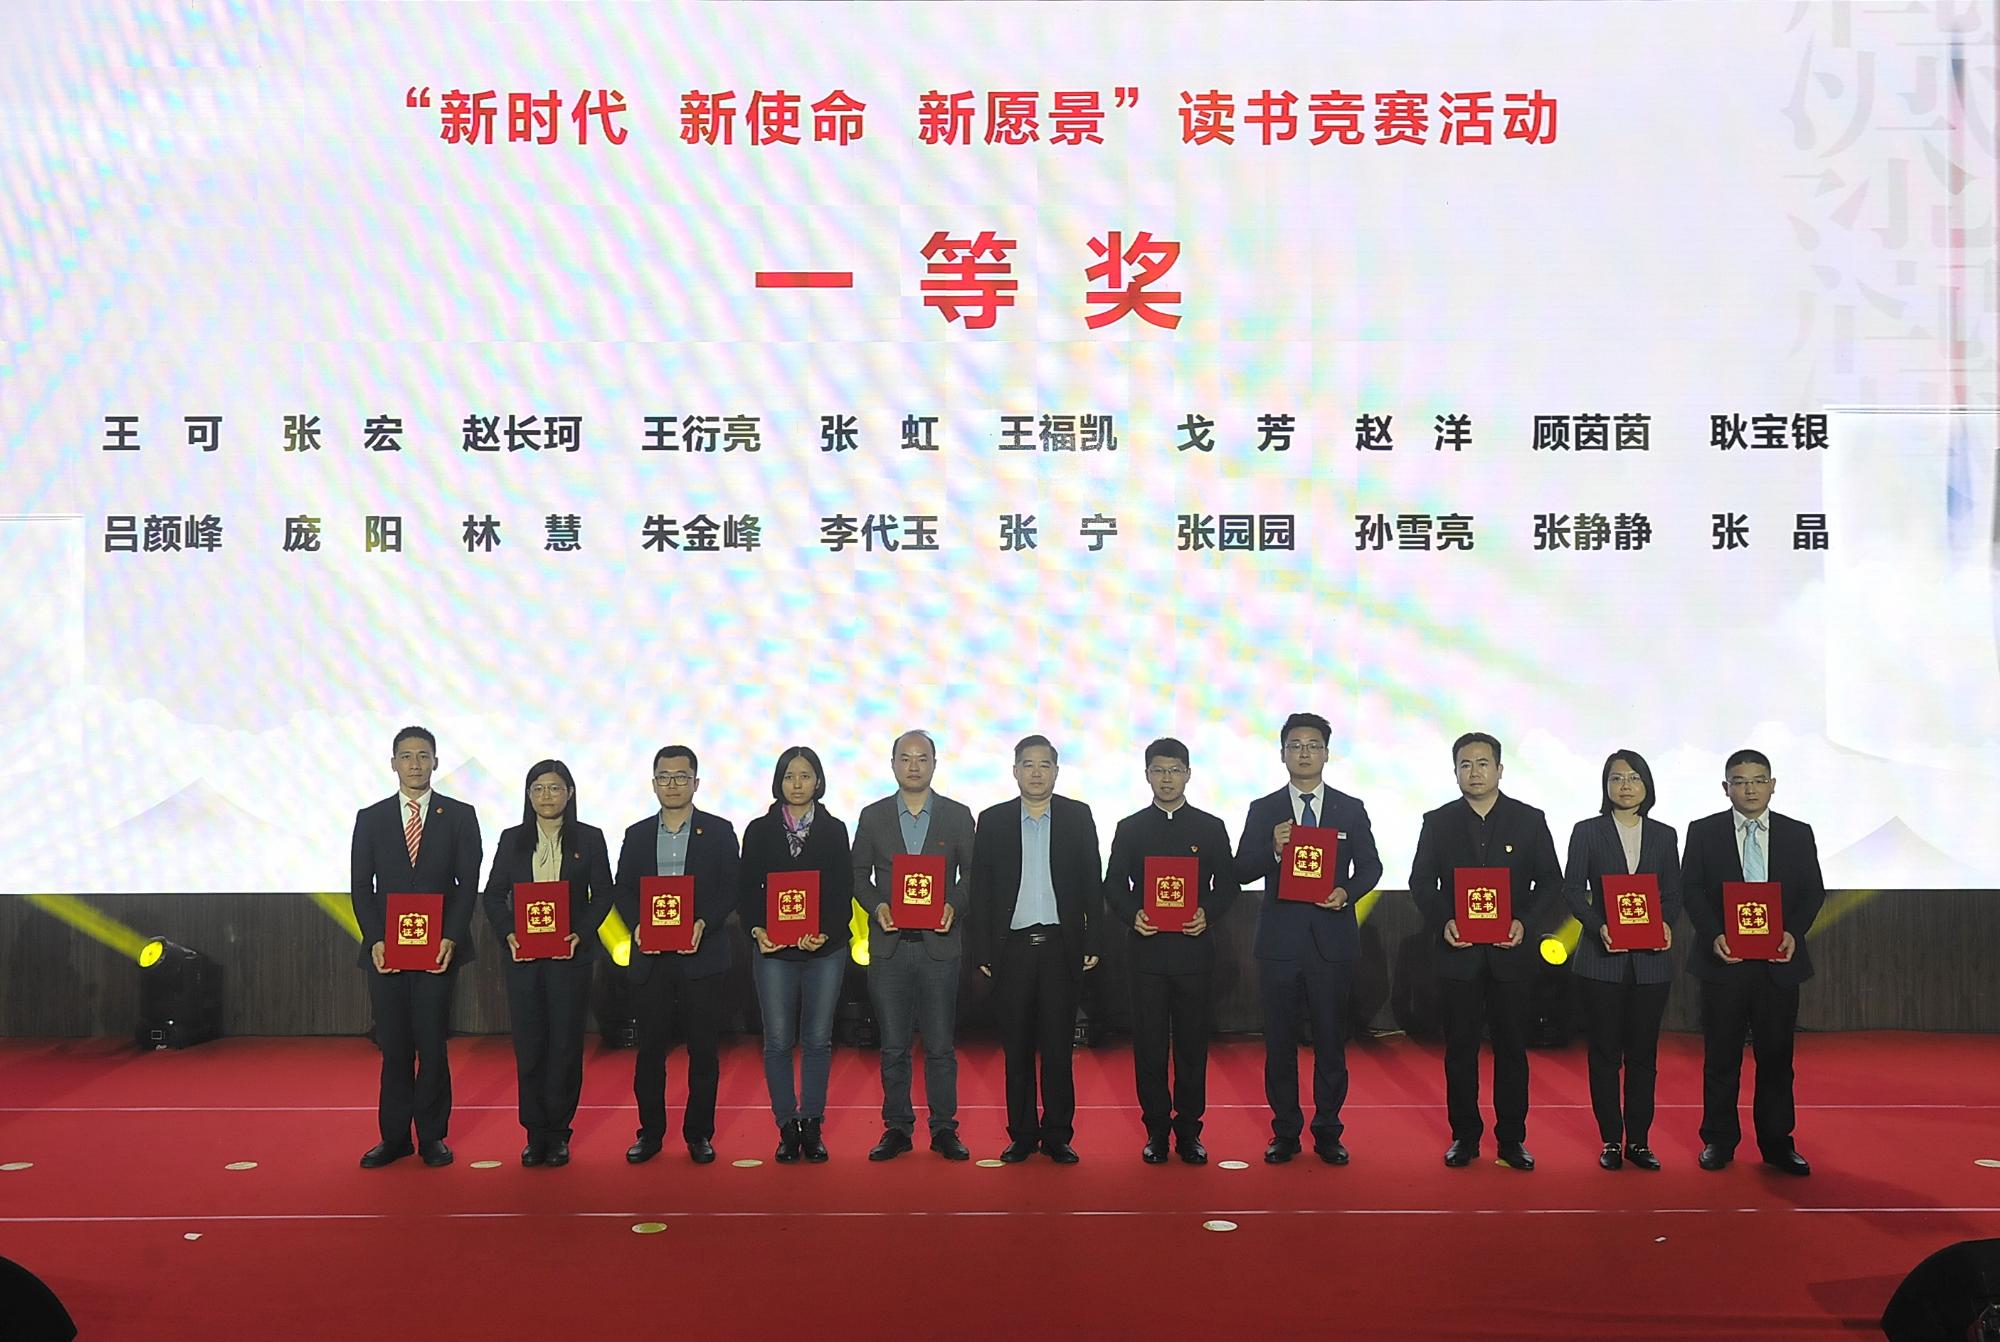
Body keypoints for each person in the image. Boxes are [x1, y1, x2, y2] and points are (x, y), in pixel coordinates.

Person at [1234, 712, 1383, 1166]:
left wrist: (1347, 893)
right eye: (1295, 745)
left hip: (1331, 942)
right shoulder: (1264, 809)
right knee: (1279, 1043)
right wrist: (1272, 849)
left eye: (1313, 745)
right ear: (1282, 754)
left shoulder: (1349, 808)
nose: (1304, 753)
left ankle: (1328, 1130)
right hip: (1279, 943)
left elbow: (1371, 867)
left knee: (1331, 1041)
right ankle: (1284, 1131)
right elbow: (1240, 870)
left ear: (1326, 754)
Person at [1409, 731, 1562, 1171]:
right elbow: (1421, 881)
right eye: (1465, 764)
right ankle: (1464, 1136)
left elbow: (1551, 880)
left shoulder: (1529, 820)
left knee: (1512, 1049)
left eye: (1482, 763)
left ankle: (1512, 1139)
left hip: (1510, 953)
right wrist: (1445, 920)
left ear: (1499, 769)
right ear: (1455, 771)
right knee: (1460, 1050)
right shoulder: (1438, 822)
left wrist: (1523, 922)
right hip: (1458, 952)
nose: (1474, 772)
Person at [1682, 749, 1826, 1176]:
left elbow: (1813, 891)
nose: (1750, 789)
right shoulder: (1704, 832)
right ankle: (1719, 1140)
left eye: (1759, 780)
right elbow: (1691, 889)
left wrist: (1793, 932)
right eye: (1740, 781)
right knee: (1721, 1056)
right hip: (1723, 960)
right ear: (1725, 787)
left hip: (1778, 961)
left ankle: (1777, 1143)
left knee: (1777, 1057)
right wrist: (1714, 934)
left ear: (1773, 785)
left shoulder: (1797, 833)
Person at [349, 726, 482, 1169]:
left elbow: (467, 885)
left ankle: (431, 1136)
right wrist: (376, 939)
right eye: (406, 756)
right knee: (394, 1046)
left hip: (437, 950)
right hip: (386, 952)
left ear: (436, 762)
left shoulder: (459, 816)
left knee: (432, 1044)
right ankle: (393, 1138)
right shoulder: (371, 818)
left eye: (423, 756)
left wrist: (451, 936)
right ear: (393, 763)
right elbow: (361, 887)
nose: (415, 764)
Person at [1103, 737, 1239, 1164]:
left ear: (1188, 774)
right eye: (1159, 770)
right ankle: (1156, 1131)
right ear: (1147, 775)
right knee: (1149, 1047)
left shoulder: (1210, 827)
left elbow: (1228, 885)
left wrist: (1206, 913)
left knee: (1192, 1047)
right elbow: (1113, 884)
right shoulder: (1130, 828)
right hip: (1146, 954)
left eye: (1175, 770)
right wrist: (1132, 915)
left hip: (1194, 953)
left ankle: (1190, 1131)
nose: (1167, 778)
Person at [970, 735, 1103, 1164]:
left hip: (1061, 948)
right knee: (1017, 1048)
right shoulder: (993, 821)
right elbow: (981, 891)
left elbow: (1092, 881)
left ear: (1056, 771)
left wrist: (1094, 940)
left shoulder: (1077, 817)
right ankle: (1023, 1134)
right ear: (1015, 771)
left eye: (1044, 765)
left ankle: (1058, 1134)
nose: (1036, 773)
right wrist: (982, 951)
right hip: (1012, 951)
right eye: (1028, 765)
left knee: (1059, 1048)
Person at [480, 759, 616, 1167]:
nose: (546, 796)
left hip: (569, 958)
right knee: (530, 1044)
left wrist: (582, 932)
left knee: (565, 1045)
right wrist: (509, 933)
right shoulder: (512, 839)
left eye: (555, 788)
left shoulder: (589, 838)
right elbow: (493, 894)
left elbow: (603, 894)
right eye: (538, 788)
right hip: (523, 958)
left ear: (569, 793)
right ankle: (534, 1132)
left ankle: (558, 1133)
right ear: (528, 795)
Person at [851, 730, 977, 1162]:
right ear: (893, 764)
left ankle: (944, 1128)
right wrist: (877, 907)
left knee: (940, 1045)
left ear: (935, 764)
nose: (914, 766)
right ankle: (897, 1128)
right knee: (893, 1045)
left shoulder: (957, 816)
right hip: (890, 947)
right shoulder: (873, 816)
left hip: (938, 946)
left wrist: (954, 905)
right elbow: (857, 875)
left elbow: (972, 875)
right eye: (905, 758)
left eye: (922, 758)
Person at [613, 746, 740, 1166]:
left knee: (703, 1050)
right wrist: (638, 924)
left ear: (696, 783)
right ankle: (649, 1133)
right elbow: (623, 888)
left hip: (700, 954)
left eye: (681, 777)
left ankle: (699, 1134)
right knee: (650, 1050)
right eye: (664, 777)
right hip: (651, 957)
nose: (672, 785)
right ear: (653, 784)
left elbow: (731, 887)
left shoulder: (719, 831)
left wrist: (704, 921)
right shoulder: (636, 834)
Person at [1561, 750, 1682, 1171]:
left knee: (1643, 1054)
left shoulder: (1665, 834)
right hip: (1601, 959)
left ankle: (1640, 1141)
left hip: (1651, 962)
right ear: (1605, 785)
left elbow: (1672, 892)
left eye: (1633, 777)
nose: (1625, 785)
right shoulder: (1587, 831)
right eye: (1616, 778)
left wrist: (1665, 923)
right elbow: (1572, 890)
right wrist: (1599, 928)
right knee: (1604, 1053)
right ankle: (1611, 1139)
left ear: (1646, 784)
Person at [739, 746, 854, 1164]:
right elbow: (746, 889)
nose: (798, 784)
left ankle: (812, 1123)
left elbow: (842, 890)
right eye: (790, 776)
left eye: (806, 776)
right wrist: (757, 929)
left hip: (824, 950)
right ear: (779, 781)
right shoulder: (758, 830)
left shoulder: (835, 829)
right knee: (777, 1041)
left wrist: (825, 932)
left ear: (818, 781)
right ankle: (787, 1125)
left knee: (818, 1040)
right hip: (773, 951)